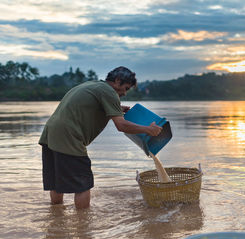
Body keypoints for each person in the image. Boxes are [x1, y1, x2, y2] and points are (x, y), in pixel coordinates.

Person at [39, 66, 162, 209]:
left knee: (56, 182)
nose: (124, 93)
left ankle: (56, 217)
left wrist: (115, 108)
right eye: (126, 88)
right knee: (82, 184)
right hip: (70, 136)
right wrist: (148, 129)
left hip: (50, 134)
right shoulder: (109, 92)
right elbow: (121, 125)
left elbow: (88, 106)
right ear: (117, 81)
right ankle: (83, 226)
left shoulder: (93, 85)